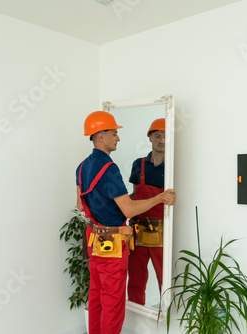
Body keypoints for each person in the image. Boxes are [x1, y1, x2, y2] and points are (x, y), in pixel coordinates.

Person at [76, 111, 176, 334]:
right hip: (113, 243)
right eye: (114, 133)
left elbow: (81, 206)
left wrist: (105, 206)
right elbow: (129, 209)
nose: (118, 138)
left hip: (95, 240)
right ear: (100, 136)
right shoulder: (109, 169)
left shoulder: (82, 166)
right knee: (113, 302)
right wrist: (160, 197)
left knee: (97, 297)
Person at [127, 118, 166, 306]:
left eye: (166, 137)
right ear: (150, 137)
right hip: (138, 230)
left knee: (164, 278)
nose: (162, 141)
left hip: (162, 231)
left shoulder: (173, 166)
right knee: (135, 278)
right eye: (158, 136)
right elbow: (135, 195)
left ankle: (168, 320)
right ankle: (136, 315)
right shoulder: (138, 164)